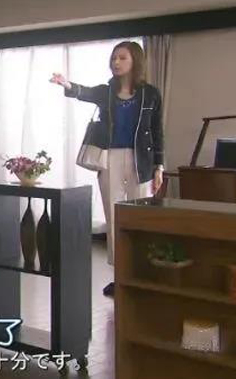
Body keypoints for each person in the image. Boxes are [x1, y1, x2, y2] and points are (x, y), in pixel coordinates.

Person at [50, 40, 164, 297]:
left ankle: (141, 275)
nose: (116, 62)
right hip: (109, 158)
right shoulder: (107, 91)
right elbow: (85, 92)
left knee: (139, 218)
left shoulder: (151, 94)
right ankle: (119, 276)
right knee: (114, 217)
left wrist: (159, 166)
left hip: (141, 160)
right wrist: (67, 84)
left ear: (135, 60)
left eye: (122, 58)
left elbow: (157, 131)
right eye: (114, 58)